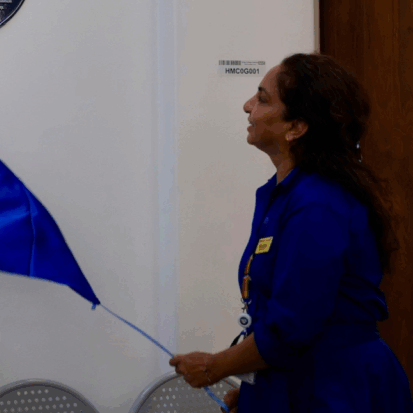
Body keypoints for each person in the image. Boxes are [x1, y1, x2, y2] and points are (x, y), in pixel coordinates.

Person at [169, 53, 413, 412]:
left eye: (262, 98)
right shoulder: (283, 193)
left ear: (296, 127)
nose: (247, 106)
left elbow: (292, 326)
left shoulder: (319, 202)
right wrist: (257, 394)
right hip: (297, 379)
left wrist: (215, 366)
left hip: (337, 388)